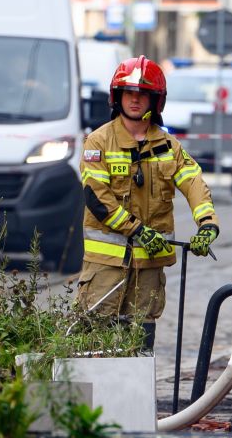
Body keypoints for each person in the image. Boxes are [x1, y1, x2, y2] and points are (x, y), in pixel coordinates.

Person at [77, 55, 220, 352]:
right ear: (117, 97)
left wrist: (207, 224)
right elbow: (97, 198)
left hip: (149, 266)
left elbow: (193, 182)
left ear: (155, 101)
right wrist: (137, 231)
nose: (134, 100)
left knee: (141, 338)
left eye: (142, 94)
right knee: (94, 337)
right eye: (129, 93)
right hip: (106, 265)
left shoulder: (168, 146)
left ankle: (137, 397)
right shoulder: (98, 142)